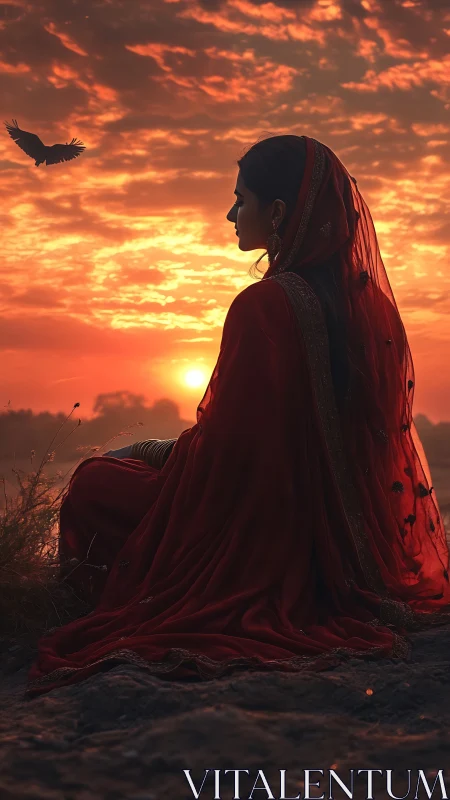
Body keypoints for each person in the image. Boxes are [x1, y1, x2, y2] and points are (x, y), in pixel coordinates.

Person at [25, 134, 450, 699]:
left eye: (240, 199)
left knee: (94, 484)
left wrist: (152, 450)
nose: (229, 213)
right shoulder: (372, 310)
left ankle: (91, 603)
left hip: (264, 530)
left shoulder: (263, 307)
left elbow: (227, 456)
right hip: (351, 552)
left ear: (277, 213)